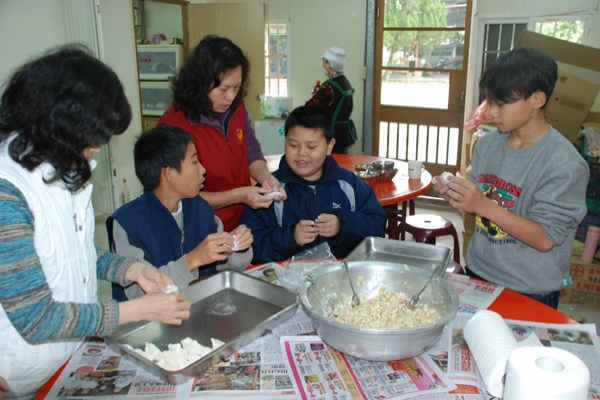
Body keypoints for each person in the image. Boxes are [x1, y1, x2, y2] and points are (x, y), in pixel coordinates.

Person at [0, 45, 191, 399]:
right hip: (19, 371)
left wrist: (131, 269)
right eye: (93, 137)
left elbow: (76, 254)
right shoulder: (8, 194)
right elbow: (36, 318)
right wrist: (134, 310)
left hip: (66, 359)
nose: (98, 148)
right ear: (59, 125)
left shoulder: (61, 169)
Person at [434, 47, 589, 309]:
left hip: (530, 290)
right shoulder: (488, 146)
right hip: (479, 273)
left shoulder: (564, 163)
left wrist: (482, 204)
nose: (491, 113)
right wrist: (458, 196)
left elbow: (544, 238)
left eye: (501, 103)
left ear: (537, 99)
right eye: (488, 101)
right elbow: (483, 212)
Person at [107, 126, 253, 300]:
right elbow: (137, 293)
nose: (203, 170)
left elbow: (228, 267)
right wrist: (192, 260)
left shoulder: (202, 211)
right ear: (169, 174)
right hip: (153, 323)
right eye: (194, 162)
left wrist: (238, 247)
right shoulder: (127, 223)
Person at [158, 35, 286, 233]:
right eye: (224, 89)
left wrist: (265, 177)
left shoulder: (235, 108)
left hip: (243, 221)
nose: (231, 96)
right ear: (200, 83)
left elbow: (251, 149)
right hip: (203, 228)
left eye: (237, 87)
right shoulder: (175, 125)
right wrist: (238, 195)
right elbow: (179, 196)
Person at [241, 106, 387, 263]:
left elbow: (377, 227)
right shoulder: (270, 189)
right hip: (287, 280)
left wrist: (342, 225)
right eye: (293, 145)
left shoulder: (348, 184)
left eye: (311, 147)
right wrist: (291, 238)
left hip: (340, 277)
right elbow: (252, 246)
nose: (302, 153)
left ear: (329, 146)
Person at [306, 47, 354, 154]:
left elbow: (309, 108)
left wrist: (316, 96)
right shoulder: (345, 82)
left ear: (329, 64)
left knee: (329, 169)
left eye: (324, 61)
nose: (323, 64)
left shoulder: (328, 87)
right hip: (343, 137)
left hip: (330, 139)